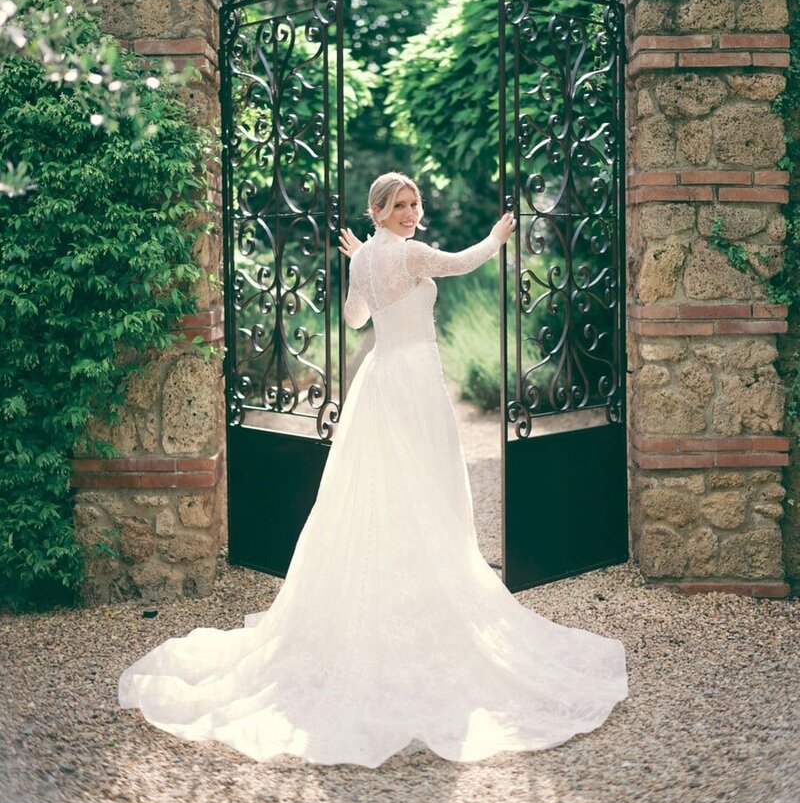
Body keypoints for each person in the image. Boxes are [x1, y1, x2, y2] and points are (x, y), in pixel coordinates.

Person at [118, 171, 628, 767]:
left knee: (388, 487)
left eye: (414, 203)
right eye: (400, 204)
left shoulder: (364, 260)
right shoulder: (409, 253)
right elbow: (461, 263)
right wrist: (497, 237)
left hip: (382, 378)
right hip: (411, 380)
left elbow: (359, 318)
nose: (411, 212)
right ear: (379, 210)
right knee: (416, 485)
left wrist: (363, 259)